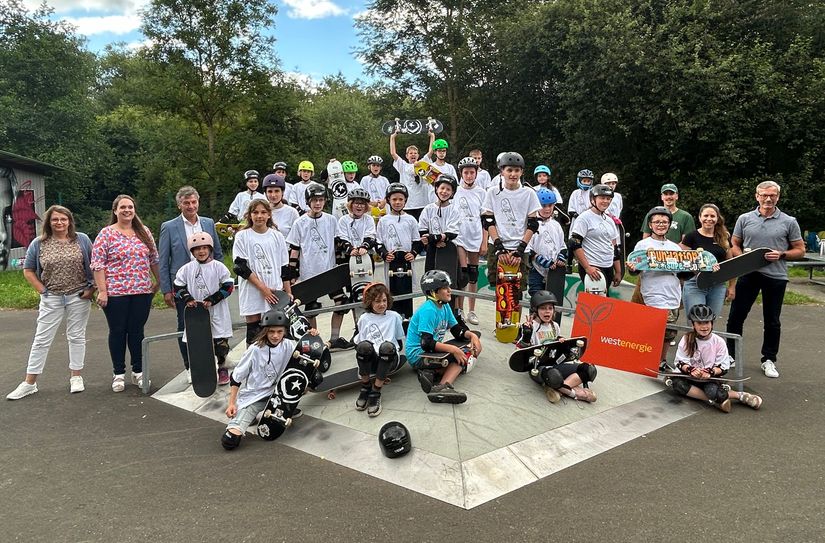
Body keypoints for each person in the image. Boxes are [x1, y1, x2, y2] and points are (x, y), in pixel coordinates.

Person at [7, 205, 95, 400]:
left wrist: (91, 289)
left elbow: (94, 265)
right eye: (55, 219)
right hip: (52, 297)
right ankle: (29, 383)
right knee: (41, 339)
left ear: (69, 221)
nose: (59, 222)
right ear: (49, 222)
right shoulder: (39, 243)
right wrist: (42, 290)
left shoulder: (82, 239)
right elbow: (28, 270)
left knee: (77, 336)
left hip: (78, 296)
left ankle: (76, 377)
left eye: (63, 219)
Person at [725, 181, 804, 378]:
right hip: (748, 274)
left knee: (772, 321)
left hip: (776, 276)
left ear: (778, 197)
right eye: (764, 195)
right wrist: (741, 256)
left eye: (772, 195)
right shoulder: (745, 218)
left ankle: (768, 360)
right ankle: (730, 355)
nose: (768, 199)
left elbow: (800, 250)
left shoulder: (789, 221)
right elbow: (734, 243)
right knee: (736, 317)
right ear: (757, 196)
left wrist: (782, 254)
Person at [220, 309, 319, 451]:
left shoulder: (288, 344)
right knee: (230, 441)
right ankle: (251, 415)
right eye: (271, 331)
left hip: (279, 393)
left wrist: (311, 336)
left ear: (285, 331)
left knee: (315, 378)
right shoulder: (255, 350)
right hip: (256, 397)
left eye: (279, 331)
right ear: (265, 331)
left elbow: (308, 354)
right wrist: (231, 404)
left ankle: (287, 407)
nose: (275, 336)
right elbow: (236, 378)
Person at [91, 195, 160, 392]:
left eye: (130, 207)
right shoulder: (106, 234)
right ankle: (118, 373)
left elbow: (154, 258)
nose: (127, 210)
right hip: (116, 293)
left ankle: (139, 371)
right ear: (115, 211)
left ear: (134, 210)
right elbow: (97, 264)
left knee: (137, 331)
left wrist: (159, 282)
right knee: (118, 331)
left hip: (141, 291)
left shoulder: (144, 232)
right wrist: (102, 291)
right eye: (123, 207)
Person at [159, 186, 223, 378]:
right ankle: (190, 367)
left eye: (194, 202)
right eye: (186, 203)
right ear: (179, 205)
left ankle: (215, 362)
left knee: (213, 323)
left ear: (198, 202)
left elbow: (217, 253)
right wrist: (166, 290)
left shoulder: (208, 223)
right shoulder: (169, 227)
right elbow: (163, 260)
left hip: (209, 284)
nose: (191, 206)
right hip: (183, 286)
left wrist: (220, 280)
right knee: (186, 325)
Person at [286, 182, 351, 347]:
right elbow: (294, 250)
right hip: (309, 275)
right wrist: (292, 274)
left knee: (342, 303)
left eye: (321, 200)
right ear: (308, 202)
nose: (318, 203)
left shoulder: (331, 220)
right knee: (311, 308)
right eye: (314, 200)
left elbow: (337, 245)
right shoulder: (300, 223)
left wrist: (342, 265)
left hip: (329, 272)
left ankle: (334, 339)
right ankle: (316, 342)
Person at [406, 270, 482, 404]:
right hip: (418, 355)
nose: (450, 291)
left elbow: (457, 330)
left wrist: (472, 336)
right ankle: (442, 387)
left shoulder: (445, 306)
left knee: (468, 347)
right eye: (445, 288)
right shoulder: (428, 310)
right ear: (433, 292)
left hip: (430, 352)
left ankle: (431, 373)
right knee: (462, 356)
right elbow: (426, 343)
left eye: (449, 287)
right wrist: (454, 350)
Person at [671, 305, 763, 412]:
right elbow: (680, 361)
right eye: (699, 323)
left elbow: (723, 367)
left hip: (709, 379)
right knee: (677, 385)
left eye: (707, 322)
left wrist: (710, 372)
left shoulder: (719, 342)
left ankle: (740, 395)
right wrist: (690, 370)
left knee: (712, 392)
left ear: (712, 323)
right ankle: (717, 401)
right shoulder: (686, 339)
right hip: (689, 377)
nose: (704, 326)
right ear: (693, 324)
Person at [627, 206, 684, 371]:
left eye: (664, 222)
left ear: (669, 225)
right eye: (657, 222)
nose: (661, 225)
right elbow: (635, 270)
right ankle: (645, 359)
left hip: (672, 293)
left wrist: (695, 269)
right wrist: (632, 268)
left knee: (669, 332)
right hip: (652, 292)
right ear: (650, 225)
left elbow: (683, 274)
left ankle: (661, 361)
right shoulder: (643, 245)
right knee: (652, 329)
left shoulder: (675, 248)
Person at [173, 233, 234, 385]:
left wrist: (213, 299)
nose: (201, 251)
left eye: (205, 248)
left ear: (210, 249)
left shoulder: (218, 267)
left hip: (217, 311)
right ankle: (203, 370)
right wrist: (188, 298)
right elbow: (178, 287)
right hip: (197, 312)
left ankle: (222, 368)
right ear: (192, 251)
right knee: (199, 343)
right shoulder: (187, 269)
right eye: (197, 249)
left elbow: (228, 286)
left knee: (220, 343)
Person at [515, 291, 597, 403]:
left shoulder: (555, 326)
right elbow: (519, 352)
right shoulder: (530, 326)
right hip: (538, 367)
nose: (547, 311)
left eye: (550, 308)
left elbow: (556, 346)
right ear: (535, 310)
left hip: (556, 363)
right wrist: (526, 336)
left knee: (589, 370)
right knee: (554, 376)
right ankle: (575, 393)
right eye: (543, 308)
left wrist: (561, 342)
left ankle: (557, 389)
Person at [232, 199, 291, 347]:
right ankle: (252, 360)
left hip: (274, 290)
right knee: (254, 332)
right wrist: (263, 289)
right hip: (253, 290)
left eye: (263, 212)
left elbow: (284, 267)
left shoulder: (277, 236)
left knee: (275, 330)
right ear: (249, 215)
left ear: (269, 215)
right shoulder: (242, 236)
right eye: (255, 212)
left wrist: (288, 292)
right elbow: (241, 268)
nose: (259, 216)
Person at [481, 152, 541, 289]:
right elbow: (488, 221)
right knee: (499, 290)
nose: (513, 174)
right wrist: (499, 248)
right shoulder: (493, 192)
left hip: (520, 246)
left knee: (517, 291)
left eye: (516, 170)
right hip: (497, 244)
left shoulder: (529, 193)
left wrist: (520, 250)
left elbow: (533, 224)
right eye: (509, 170)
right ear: (502, 172)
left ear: (522, 172)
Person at [353, 283, 405, 417]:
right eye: (377, 301)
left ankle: (376, 392)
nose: (382, 304)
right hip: (372, 360)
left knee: (386, 347)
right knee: (363, 346)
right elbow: (359, 343)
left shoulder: (394, 316)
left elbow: (399, 342)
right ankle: (366, 387)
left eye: (384, 300)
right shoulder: (364, 319)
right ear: (370, 302)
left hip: (390, 359)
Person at [335, 187, 378, 341]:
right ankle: (357, 326)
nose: (359, 206)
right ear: (350, 204)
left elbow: (371, 236)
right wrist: (350, 248)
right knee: (355, 294)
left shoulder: (368, 219)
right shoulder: (343, 220)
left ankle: (370, 324)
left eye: (362, 204)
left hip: (366, 258)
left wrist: (364, 246)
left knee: (367, 291)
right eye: (356, 203)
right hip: (350, 259)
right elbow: (341, 238)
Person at [679, 203, 734, 321]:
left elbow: (731, 264)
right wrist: (698, 268)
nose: (709, 219)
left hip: (717, 285)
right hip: (695, 284)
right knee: (696, 320)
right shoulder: (691, 237)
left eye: (712, 216)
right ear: (700, 217)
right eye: (706, 216)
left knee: (710, 322)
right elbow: (682, 263)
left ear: (717, 218)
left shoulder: (724, 237)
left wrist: (731, 286)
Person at [376, 183, 422, 319]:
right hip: (391, 261)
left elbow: (417, 241)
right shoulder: (384, 220)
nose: (397, 202)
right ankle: (394, 319)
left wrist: (413, 253)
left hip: (406, 261)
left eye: (401, 199)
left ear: (405, 200)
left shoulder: (411, 220)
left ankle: (408, 319)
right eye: (394, 199)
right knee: (392, 291)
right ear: (388, 200)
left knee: (407, 292)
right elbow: (378, 242)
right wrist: (384, 254)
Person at [569, 184, 622, 289]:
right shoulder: (584, 218)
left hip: (608, 266)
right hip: (593, 266)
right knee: (595, 299)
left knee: (605, 297)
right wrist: (587, 267)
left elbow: (614, 247)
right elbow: (574, 243)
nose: (605, 201)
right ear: (593, 199)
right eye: (602, 198)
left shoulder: (609, 220)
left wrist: (618, 271)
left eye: (608, 199)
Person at [454, 157, 487, 325]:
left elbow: (486, 219)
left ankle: (472, 310)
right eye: (466, 172)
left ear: (476, 173)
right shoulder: (455, 190)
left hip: (475, 235)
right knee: (463, 274)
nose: (468, 175)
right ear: (461, 173)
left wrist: (484, 241)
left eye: (471, 172)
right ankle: (459, 309)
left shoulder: (481, 192)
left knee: (473, 274)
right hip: (460, 236)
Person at [526, 189, 567, 318]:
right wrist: (544, 262)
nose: (547, 209)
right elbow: (529, 249)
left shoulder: (556, 225)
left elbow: (563, 246)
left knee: (551, 301)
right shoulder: (531, 224)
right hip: (536, 270)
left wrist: (560, 258)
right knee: (537, 299)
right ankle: (533, 324)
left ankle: (549, 326)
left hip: (553, 271)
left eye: (550, 205)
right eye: (544, 206)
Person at [418, 174, 461, 277]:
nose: (444, 191)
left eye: (448, 189)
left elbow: (452, 232)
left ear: (452, 193)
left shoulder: (454, 210)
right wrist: (434, 242)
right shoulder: (428, 209)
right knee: (431, 278)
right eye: (442, 188)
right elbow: (422, 229)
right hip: (432, 248)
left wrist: (435, 238)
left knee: (450, 279)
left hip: (448, 248)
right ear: (436, 189)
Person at [389, 130, 429, 219]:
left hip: (422, 203)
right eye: (410, 153)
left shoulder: (422, 164)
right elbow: (393, 153)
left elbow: (430, 153)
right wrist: (392, 137)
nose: (413, 155)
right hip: (408, 204)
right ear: (407, 156)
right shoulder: (403, 166)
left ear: (418, 155)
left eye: (415, 153)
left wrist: (432, 136)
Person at [262, 173, 299, 238]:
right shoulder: (261, 211)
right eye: (270, 191)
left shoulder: (292, 212)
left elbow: (297, 236)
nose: (273, 195)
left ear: (282, 192)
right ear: (265, 193)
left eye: (277, 191)